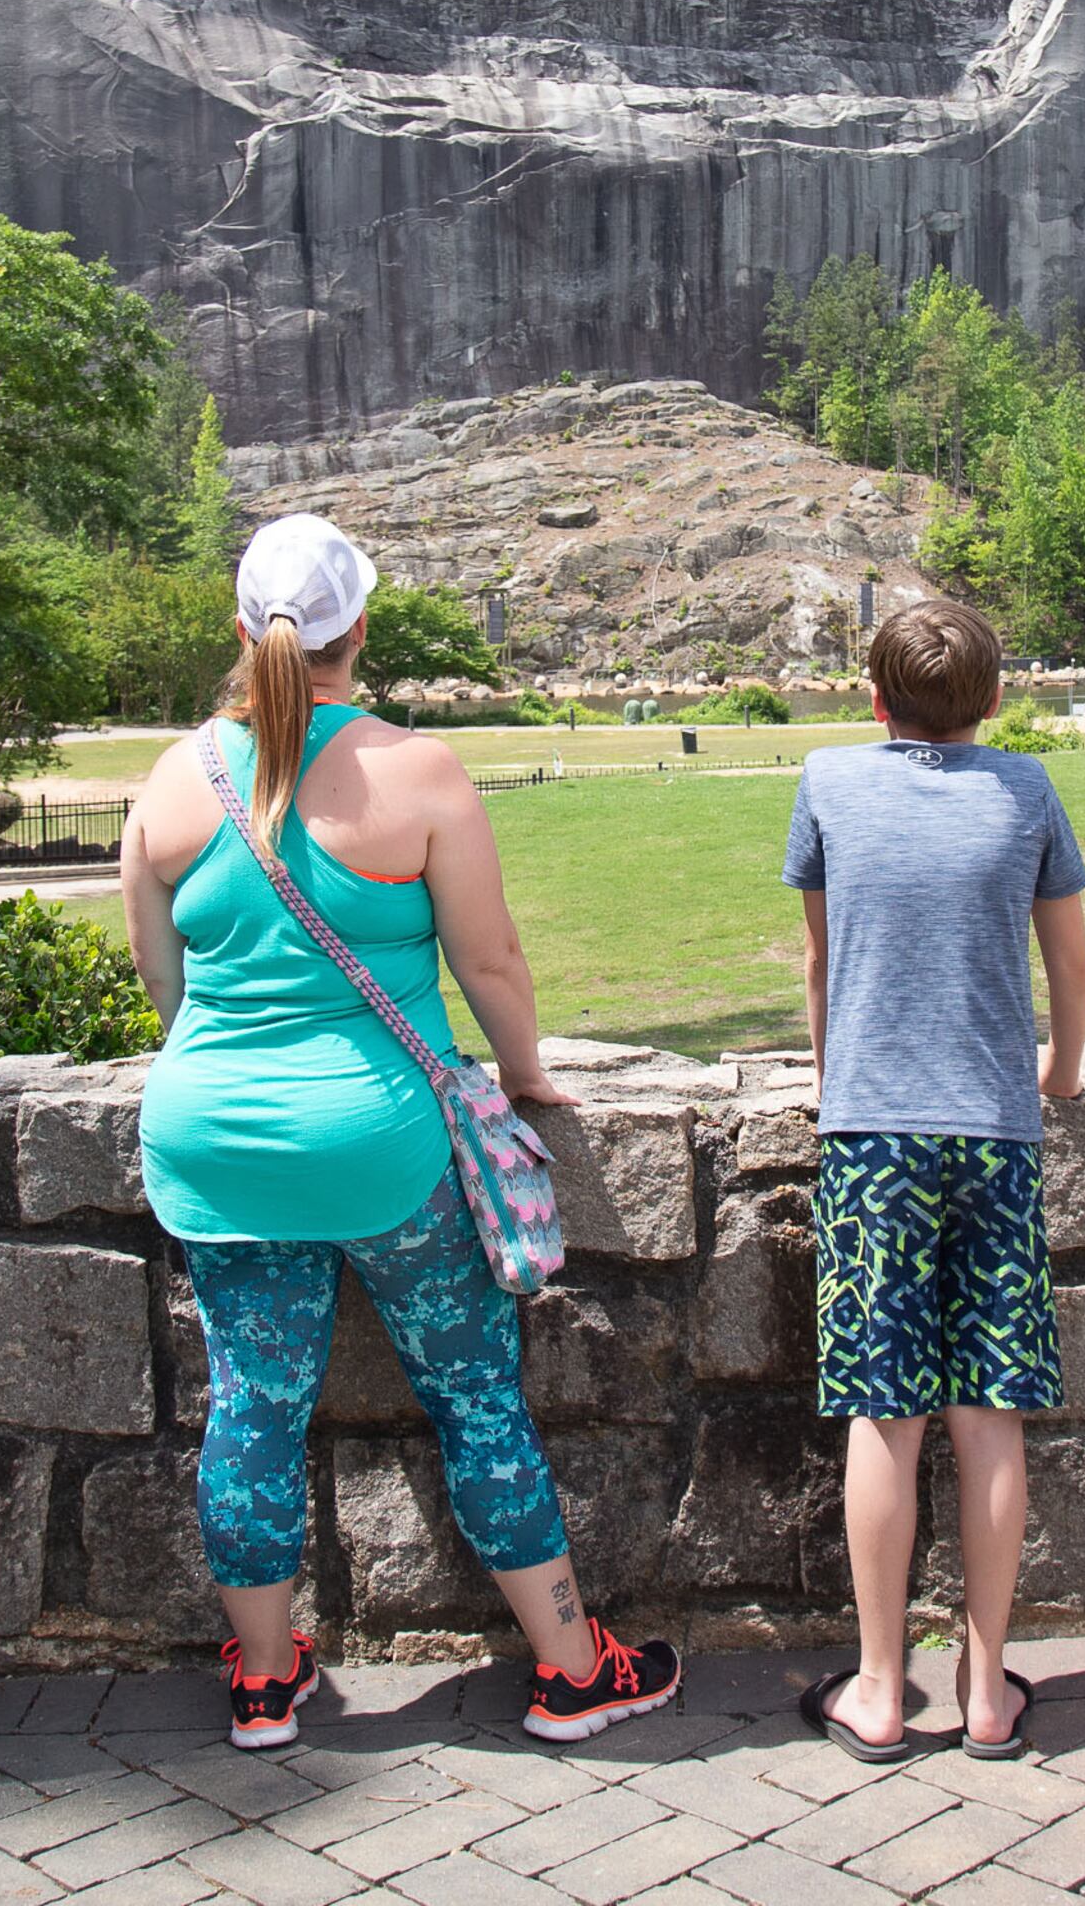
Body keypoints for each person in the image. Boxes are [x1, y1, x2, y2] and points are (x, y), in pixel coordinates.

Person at [120, 513, 682, 1751]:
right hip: (383, 1146)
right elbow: (488, 958)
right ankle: (571, 1666)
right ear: (358, 630)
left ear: (239, 631)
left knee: (252, 1407)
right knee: (475, 1392)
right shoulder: (417, 773)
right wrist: (525, 1073)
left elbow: (165, 985)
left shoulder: (172, 779)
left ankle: (265, 1681)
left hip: (218, 1142)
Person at [782, 599, 1085, 1763]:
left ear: (874, 699)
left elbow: (822, 957)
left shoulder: (827, 779)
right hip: (995, 1136)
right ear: (995, 700)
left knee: (886, 1413)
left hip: (872, 1138)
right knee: (989, 1416)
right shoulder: (1027, 792)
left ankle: (876, 1686)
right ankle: (985, 1690)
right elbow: (1070, 960)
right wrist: (1061, 1071)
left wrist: (830, 1076)